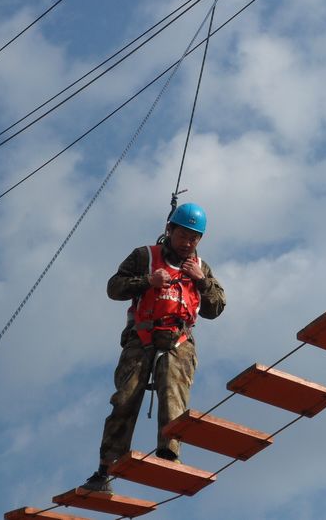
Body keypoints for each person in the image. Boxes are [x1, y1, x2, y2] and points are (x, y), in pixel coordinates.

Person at [82, 203, 226, 493]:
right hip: (142, 337)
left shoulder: (201, 268)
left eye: (194, 238)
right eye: (183, 235)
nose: (187, 243)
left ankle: (169, 455)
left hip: (179, 340)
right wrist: (148, 281)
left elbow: (216, 308)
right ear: (169, 230)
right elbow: (114, 287)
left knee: (174, 397)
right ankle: (106, 469)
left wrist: (202, 281)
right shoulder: (144, 256)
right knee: (125, 399)